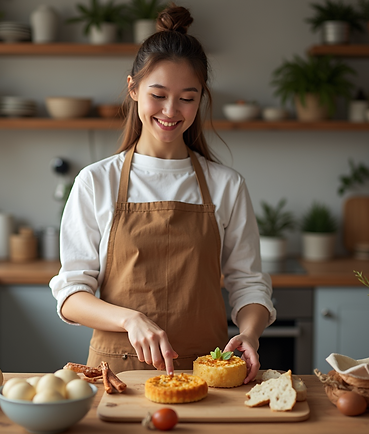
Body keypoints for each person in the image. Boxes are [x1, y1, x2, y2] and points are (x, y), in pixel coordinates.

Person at [50, 3, 276, 384]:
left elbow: (248, 283)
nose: (172, 111)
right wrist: (129, 318)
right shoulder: (95, 181)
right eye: (158, 94)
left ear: (201, 98)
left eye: (187, 98)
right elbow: (71, 295)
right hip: (115, 376)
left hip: (208, 375)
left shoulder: (227, 185)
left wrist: (250, 333)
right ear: (133, 89)